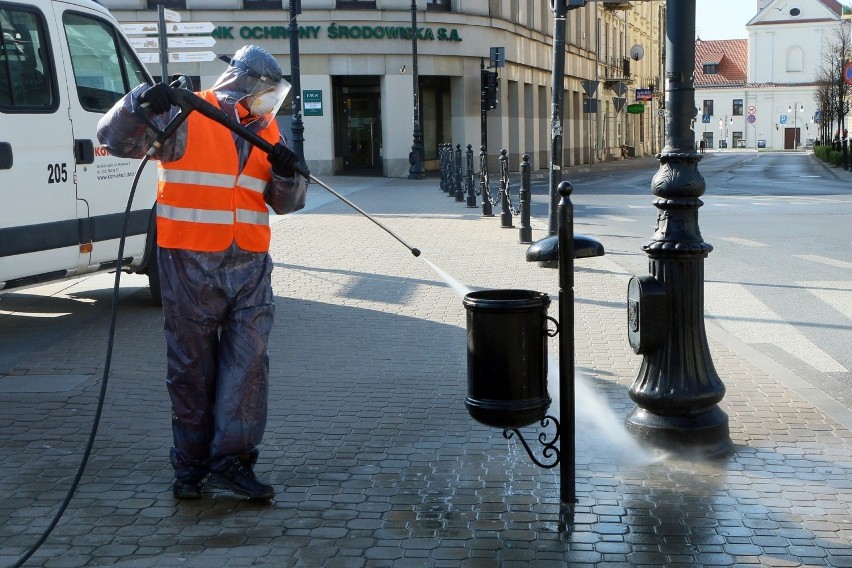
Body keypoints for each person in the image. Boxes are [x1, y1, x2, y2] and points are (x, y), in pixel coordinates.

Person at [97, 45, 307, 501]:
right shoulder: (188, 113)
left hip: (249, 266)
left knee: (247, 367)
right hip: (189, 264)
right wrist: (138, 104)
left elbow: (287, 203)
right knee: (191, 369)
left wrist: (290, 177)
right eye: (266, 92)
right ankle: (190, 466)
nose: (270, 103)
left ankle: (232, 461)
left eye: (275, 95)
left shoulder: (269, 132)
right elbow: (115, 140)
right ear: (244, 82)